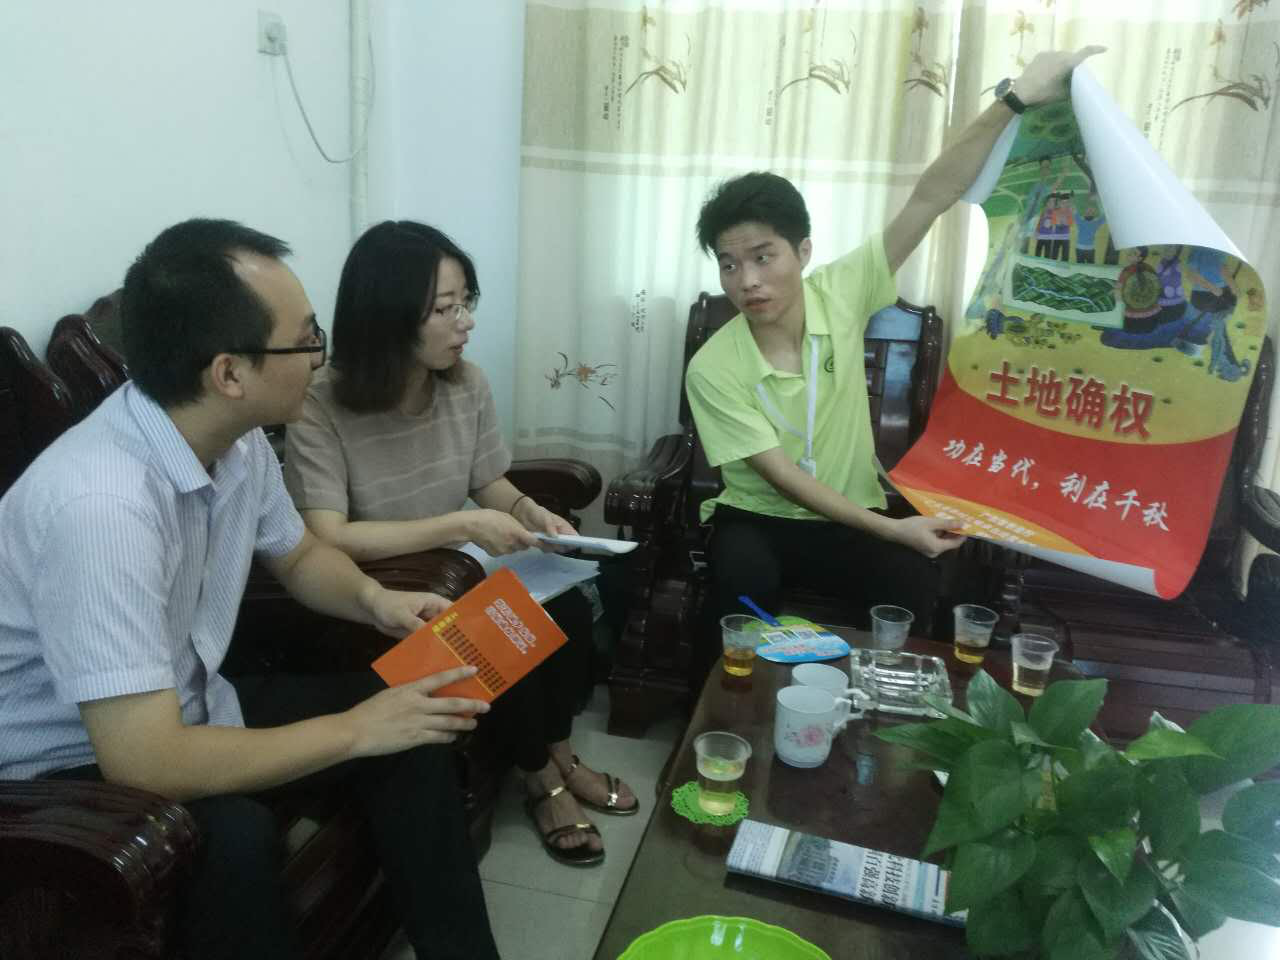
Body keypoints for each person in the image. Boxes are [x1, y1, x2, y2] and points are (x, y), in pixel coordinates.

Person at [0, 219, 502, 960]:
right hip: (66, 762)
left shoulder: (233, 441)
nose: (320, 356)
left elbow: (299, 556)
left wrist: (378, 602)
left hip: (185, 699)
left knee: (416, 720)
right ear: (230, 373)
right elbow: (145, 763)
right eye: (305, 340)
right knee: (235, 840)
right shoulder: (101, 506)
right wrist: (359, 729)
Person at [685, 47, 1103, 656]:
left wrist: (1013, 101)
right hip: (758, 519)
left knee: (911, 584)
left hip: (851, 514)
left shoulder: (842, 292)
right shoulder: (713, 367)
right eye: (729, 264)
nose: (747, 280)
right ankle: (723, 700)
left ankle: (883, 701)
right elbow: (784, 480)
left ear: (803, 252)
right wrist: (892, 528)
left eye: (762, 257)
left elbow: (932, 196)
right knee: (739, 595)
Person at [282, 221, 637, 868]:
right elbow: (327, 535)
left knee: (570, 603)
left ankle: (560, 754)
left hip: (456, 565)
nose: (465, 322)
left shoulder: (464, 382)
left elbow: (488, 481)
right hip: (377, 592)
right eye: (445, 309)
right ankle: (544, 781)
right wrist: (464, 526)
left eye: (466, 301)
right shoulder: (320, 403)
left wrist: (529, 512)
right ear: (388, 316)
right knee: (500, 625)